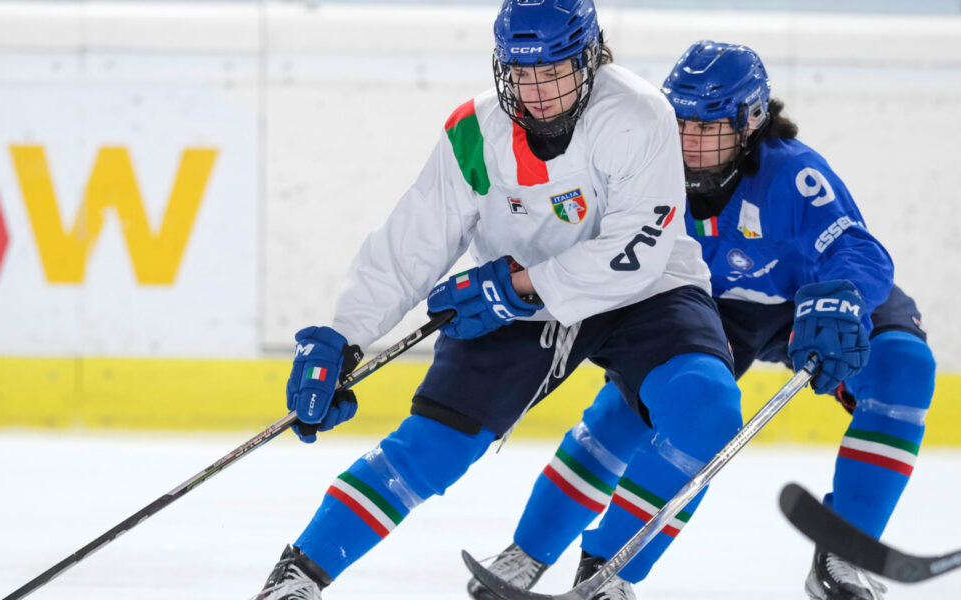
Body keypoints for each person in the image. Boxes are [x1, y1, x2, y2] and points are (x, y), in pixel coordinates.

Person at [253, 3, 748, 599]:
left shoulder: (640, 115)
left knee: (707, 407)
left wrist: (516, 287)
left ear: (591, 55)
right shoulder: (474, 131)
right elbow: (413, 239)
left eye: (555, 70)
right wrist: (345, 334)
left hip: (646, 291)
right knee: (435, 446)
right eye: (520, 71)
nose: (536, 90)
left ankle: (608, 574)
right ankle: (298, 576)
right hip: (515, 293)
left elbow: (635, 251)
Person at [468, 41, 936, 600]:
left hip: (811, 296)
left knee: (904, 366)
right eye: (681, 122)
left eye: (709, 126)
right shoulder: (646, 165)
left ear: (751, 122)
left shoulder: (793, 172)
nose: (689, 141)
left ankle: (845, 555)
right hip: (716, 307)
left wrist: (843, 298)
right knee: (629, 413)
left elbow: (859, 250)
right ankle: (535, 557)